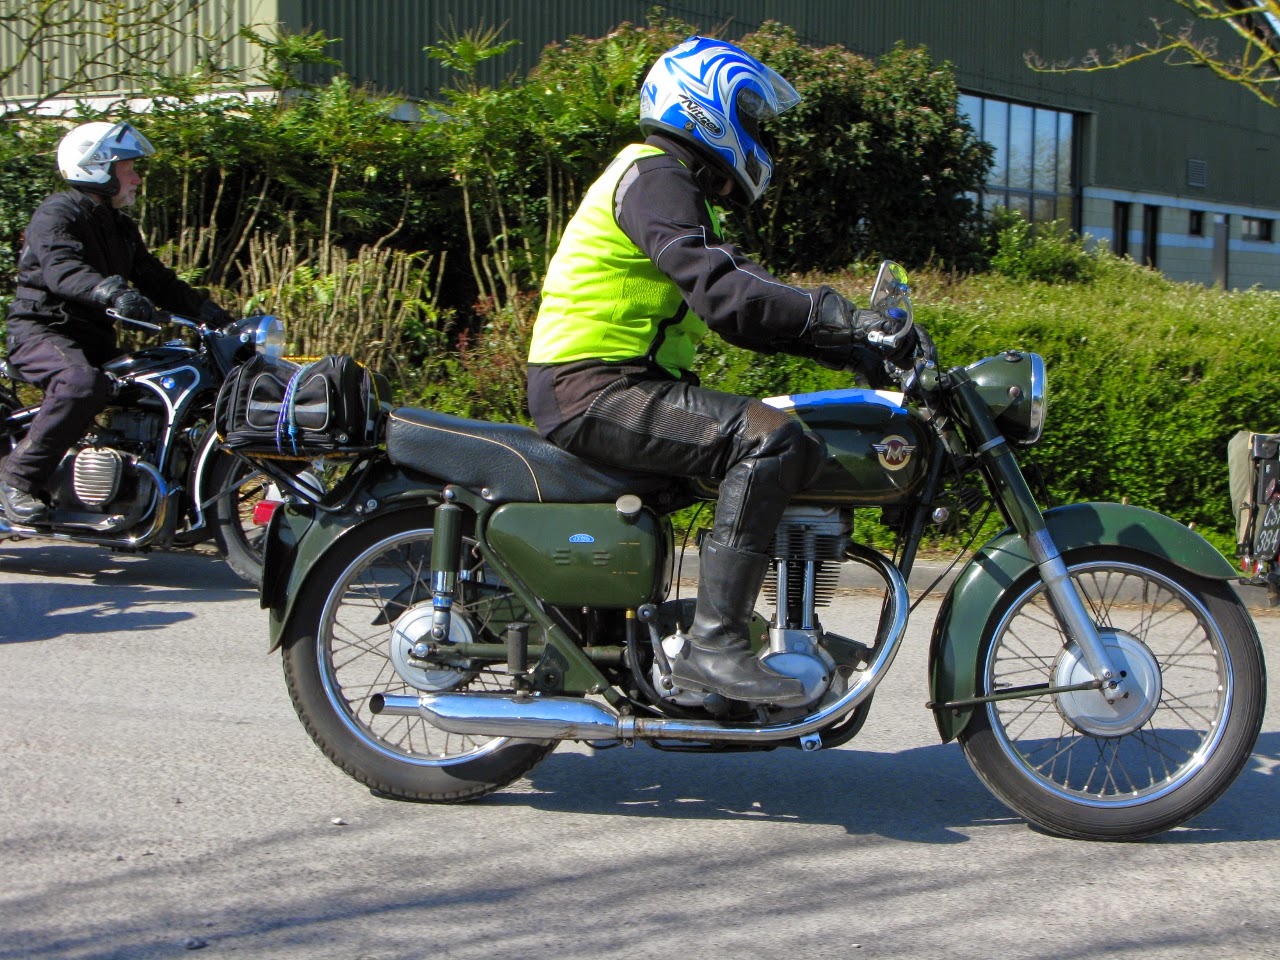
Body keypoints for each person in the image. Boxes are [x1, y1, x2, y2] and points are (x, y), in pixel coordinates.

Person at [527, 37, 917, 704]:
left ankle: (719, 641)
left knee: (779, 429)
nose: (759, 134)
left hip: (614, 386)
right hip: (592, 389)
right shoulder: (652, 177)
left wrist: (848, 345)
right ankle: (714, 645)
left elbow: (739, 307)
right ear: (704, 104)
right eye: (749, 115)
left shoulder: (667, 185)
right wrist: (845, 319)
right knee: (772, 436)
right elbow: (726, 291)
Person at [0, 120, 233, 525]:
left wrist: (213, 315)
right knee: (80, 384)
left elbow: (154, 278)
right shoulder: (58, 213)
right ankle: (15, 481)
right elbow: (63, 269)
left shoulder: (120, 226)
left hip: (92, 339)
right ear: (98, 168)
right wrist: (112, 292)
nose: (137, 178)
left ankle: (140, 494)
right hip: (43, 331)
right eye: (129, 169)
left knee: (155, 384)